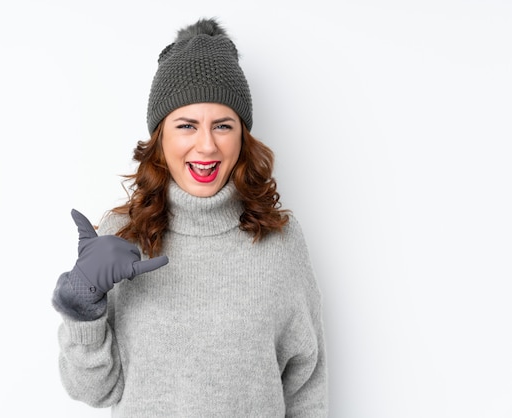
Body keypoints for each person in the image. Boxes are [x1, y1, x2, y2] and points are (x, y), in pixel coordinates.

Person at [52, 17, 328, 417]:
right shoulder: (122, 236)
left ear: (242, 136)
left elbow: (306, 387)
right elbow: (94, 391)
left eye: (222, 125)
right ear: (160, 139)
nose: (206, 145)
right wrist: (83, 302)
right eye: (186, 125)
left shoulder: (280, 240)